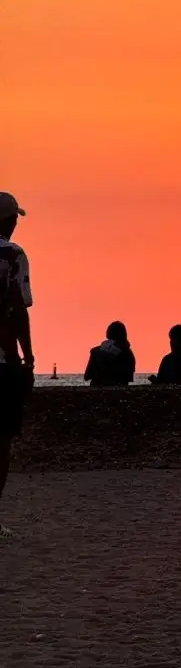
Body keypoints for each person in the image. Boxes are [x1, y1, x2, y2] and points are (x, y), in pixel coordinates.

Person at [0, 193, 34, 537]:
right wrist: (28, 359)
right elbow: (18, 308)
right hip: (1, 360)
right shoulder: (12, 254)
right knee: (2, 441)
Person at [84, 321, 136, 386]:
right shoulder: (128, 354)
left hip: (98, 388)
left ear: (108, 333)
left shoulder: (95, 352)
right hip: (118, 390)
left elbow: (87, 376)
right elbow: (128, 377)